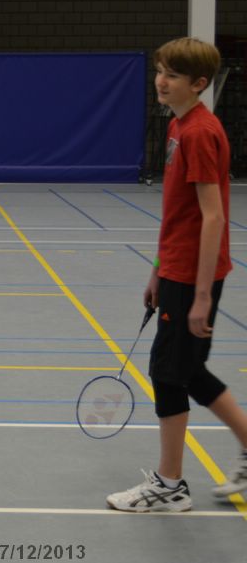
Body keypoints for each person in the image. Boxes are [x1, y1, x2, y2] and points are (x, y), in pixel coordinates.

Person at [105, 37, 247, 513]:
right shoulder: (178, 126)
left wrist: (201, 295)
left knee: (168, 374)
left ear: (199, 84)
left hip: (194, 277)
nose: (161, 81)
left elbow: (212, 217)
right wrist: (158, 270)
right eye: (159, 71)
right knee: (189, 371)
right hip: (178, 269)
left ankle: (169, 485)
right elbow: (179, 215)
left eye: (173, 75)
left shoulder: (199, 133)